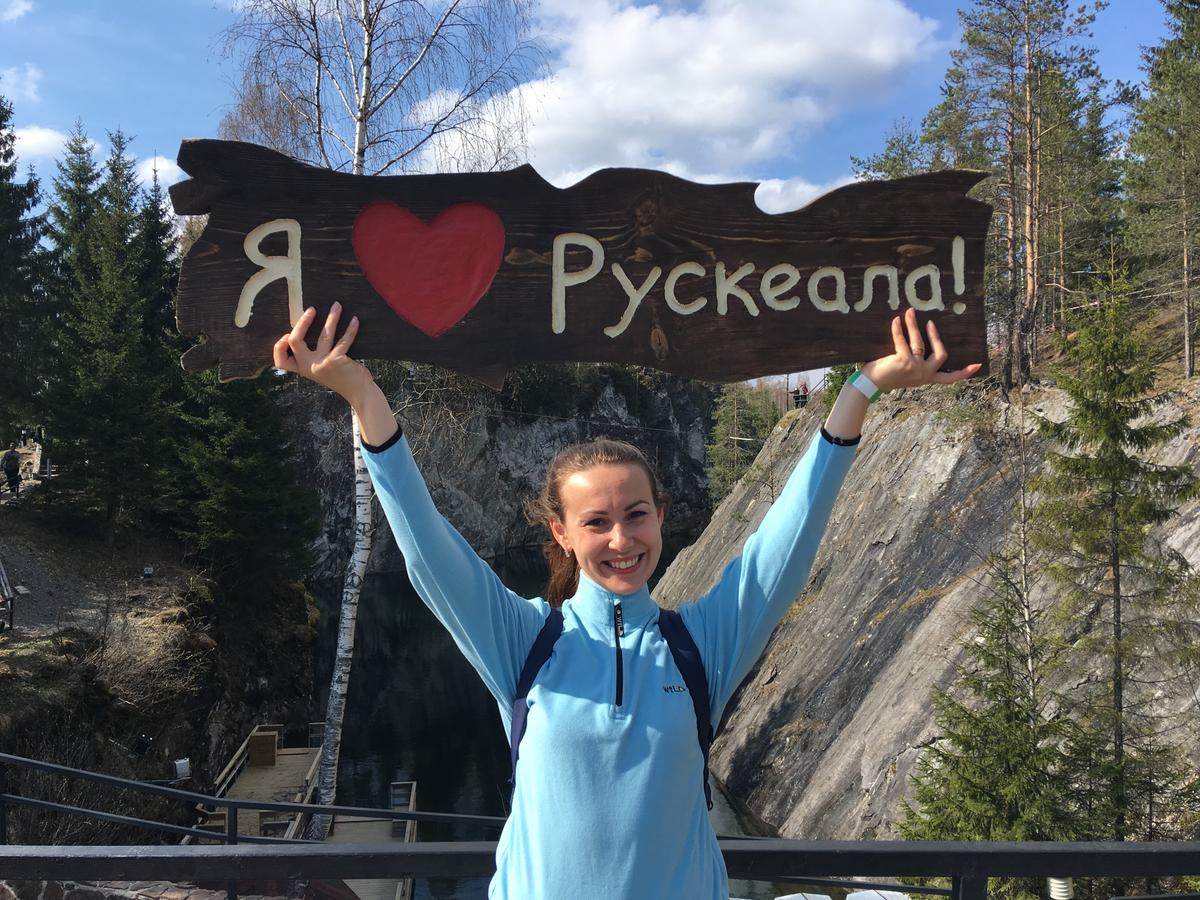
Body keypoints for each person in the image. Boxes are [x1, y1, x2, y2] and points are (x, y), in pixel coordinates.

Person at [274, 303, 981, 899]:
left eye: (636, 515)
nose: (621, 539)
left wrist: (861, 389)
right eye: (596, 522)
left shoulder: (698, 645)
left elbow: (783, 547)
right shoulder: (524, 643)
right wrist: (364, 399)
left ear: (661, 516)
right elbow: (429, 552)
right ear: (561, 533)